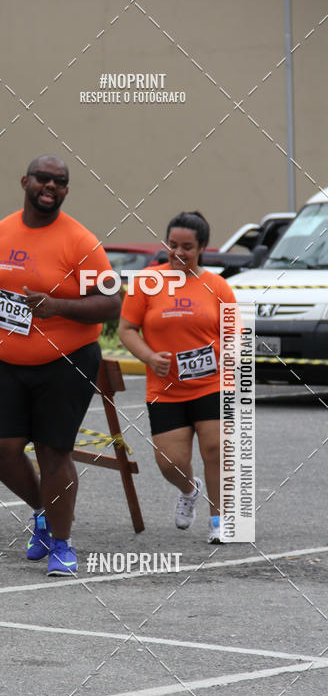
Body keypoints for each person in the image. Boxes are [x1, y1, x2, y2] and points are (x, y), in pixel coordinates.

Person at [0, 154, 120, 575]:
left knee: (54, 452)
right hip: (8, 357)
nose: (50, 186)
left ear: (66, 190)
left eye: (60, 182)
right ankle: (42, 513)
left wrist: (57, 305)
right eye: (43, 179)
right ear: (25, 181)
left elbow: (111, 304)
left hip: (66, 360)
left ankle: (62, 543)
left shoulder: (81, 242)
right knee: (0, 449)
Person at [118, 210, 237, 544]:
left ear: (201, 248)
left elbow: (233, 336)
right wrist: (149, 357)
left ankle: (220, 519)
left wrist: (223, 361)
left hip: (211, 384)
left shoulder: (217, 286)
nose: (179, 252)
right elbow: (127, 329)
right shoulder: (147, 282)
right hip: (165, 387)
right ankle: (188, 489)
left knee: (215, 449)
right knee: (170, 462)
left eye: (187, 246)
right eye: (173, 245)